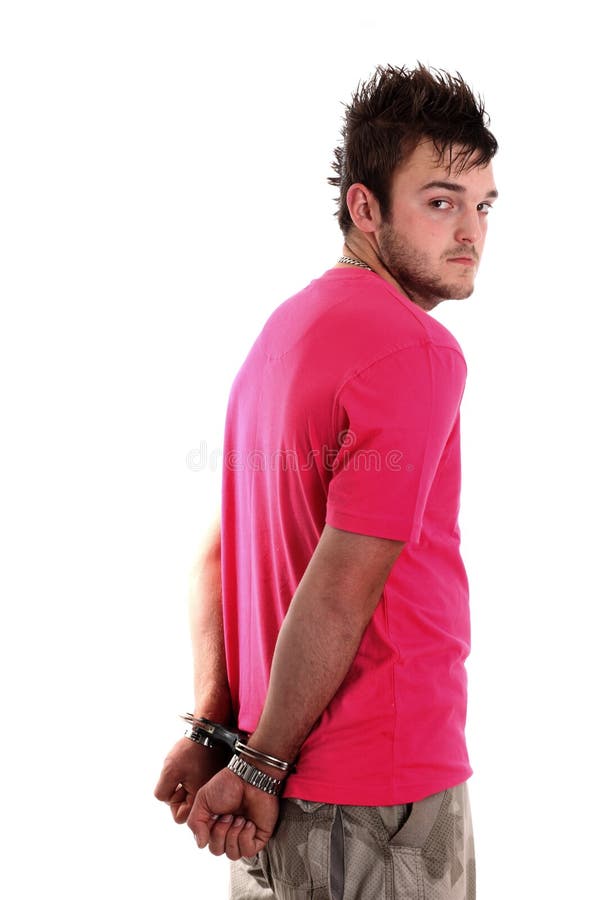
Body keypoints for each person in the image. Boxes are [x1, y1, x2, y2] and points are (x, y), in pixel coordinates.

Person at [155, 63, 498, 899]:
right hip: (378, 795)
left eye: (484, 205)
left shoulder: (279, 338)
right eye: (440, 200)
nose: (471, 231)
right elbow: (344, 582)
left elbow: (214, 553)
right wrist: (263, 763)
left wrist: (221, 733)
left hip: (267, 794)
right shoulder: (416, 349)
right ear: (366, 207)